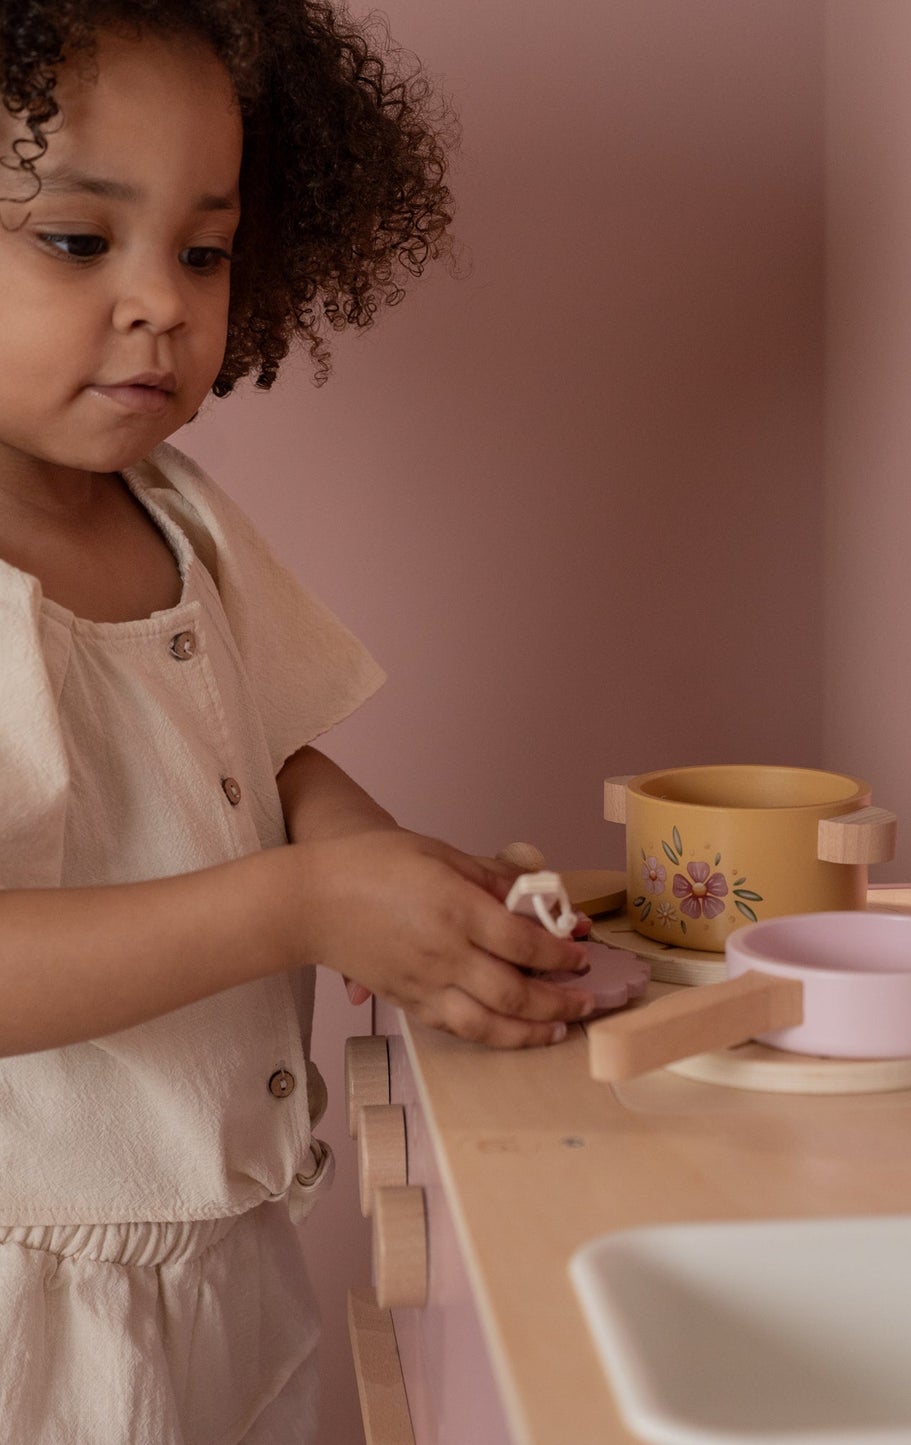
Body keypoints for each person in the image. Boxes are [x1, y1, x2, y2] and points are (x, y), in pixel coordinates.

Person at [0, 3, 594, 1439]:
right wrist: (302, 906)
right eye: (79, 240)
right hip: (34, 1307)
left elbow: (261, 749)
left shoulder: (178, 514)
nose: (161, 300)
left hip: (224, 1259)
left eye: (203, 251)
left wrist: (396, 883)